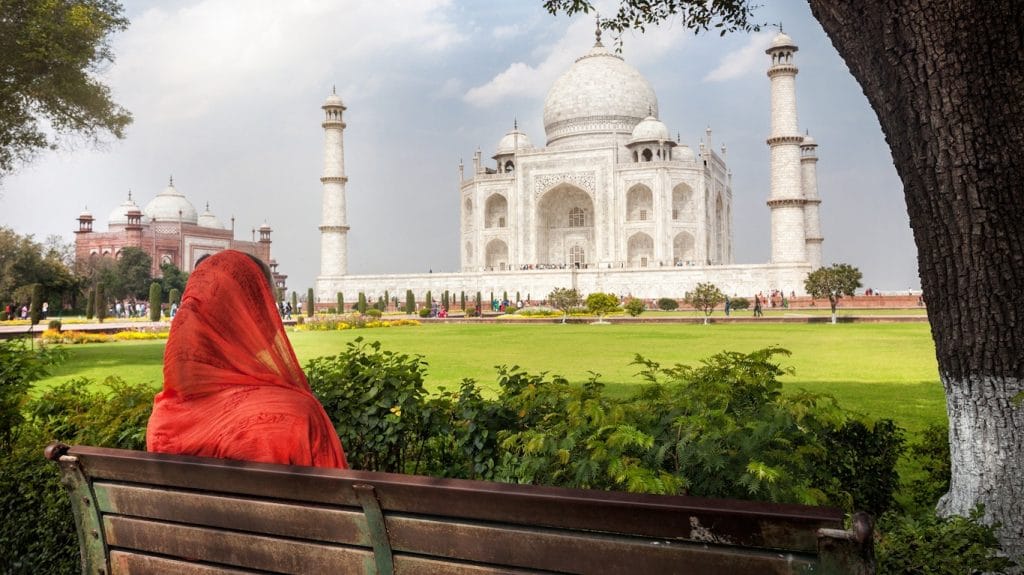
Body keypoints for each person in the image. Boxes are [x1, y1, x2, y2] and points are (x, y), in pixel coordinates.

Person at [146, 250, 348, 469]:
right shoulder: (296, 417)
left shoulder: (165, 418)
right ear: (252, 315)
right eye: (267, 304)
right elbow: (339, 497)